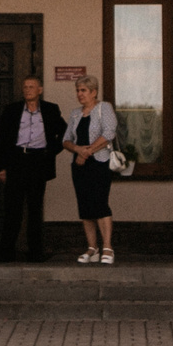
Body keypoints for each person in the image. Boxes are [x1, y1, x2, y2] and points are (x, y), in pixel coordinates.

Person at [0, 75, 60, 263]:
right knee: (12, 209)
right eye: (25, 87)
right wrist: (2, 167)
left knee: (35, 209)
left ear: (40, 90)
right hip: (16, 160)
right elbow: (2, 140)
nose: (27, 90)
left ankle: (35, 253)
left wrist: (50, 151)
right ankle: (6, 252)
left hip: (38, 162)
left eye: (31, 86)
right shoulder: (12, 110)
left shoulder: (50, 110)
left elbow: (64, 133)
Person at [64, 75, 119, 265]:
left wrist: (87, 151)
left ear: (93, 92)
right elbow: (66, 140)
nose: (79, 94)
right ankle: (92, 247)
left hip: (99, 162)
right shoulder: (75, 114)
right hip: (79, 165)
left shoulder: (104, 108)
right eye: (78, 90)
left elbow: (109, 133)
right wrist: (78, 150)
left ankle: (107, 247)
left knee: (100, 203)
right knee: (85, 206)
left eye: (83, 90)